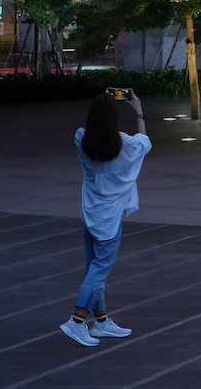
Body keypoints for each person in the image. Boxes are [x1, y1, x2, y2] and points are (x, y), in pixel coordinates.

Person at [63, 91, 151, 347]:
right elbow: (144, 142)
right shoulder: (123, 143)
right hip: (110, 217)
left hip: (90, 211)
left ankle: (100, 320)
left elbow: (94, 132)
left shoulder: (81, 137)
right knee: (99, 270)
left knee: (94, 268)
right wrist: (139, 111)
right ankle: (77, 320)